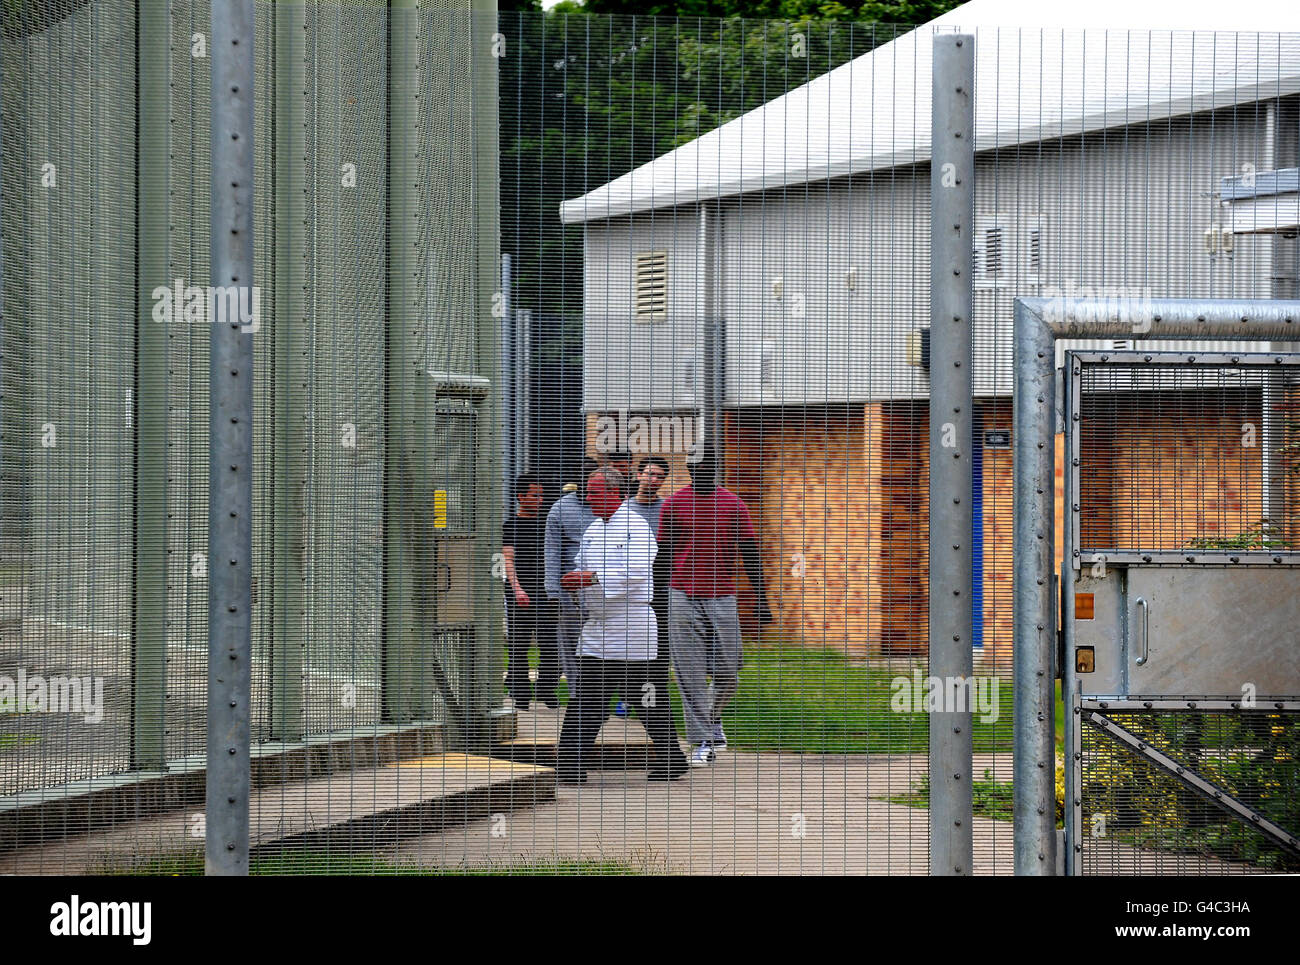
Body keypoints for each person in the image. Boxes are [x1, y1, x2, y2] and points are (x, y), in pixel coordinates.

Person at [555, 468, 689, 784]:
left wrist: (593, 578)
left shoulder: (636, 527)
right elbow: (581, 566)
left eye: (594, 493)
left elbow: (638, 571)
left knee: (646, 700)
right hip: (599, 627)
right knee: (588, 699)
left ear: (615, 494)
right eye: (587, 492)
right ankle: (570, 764)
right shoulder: (592, 530)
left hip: (633, 628)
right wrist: (575, 579)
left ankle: (672, 759)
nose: (587, 498)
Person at [657, 447, 773, 766]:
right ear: (690, 470)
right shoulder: (673, 504)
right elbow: (664, 556)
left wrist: (761, 600)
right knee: (689, 673)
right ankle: (702, 741)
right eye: (698, 467)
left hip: (722, 595)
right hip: (681, 594)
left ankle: (710, 719)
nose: (704, 472)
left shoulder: (733, 505)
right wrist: (656, 601)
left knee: (729, 671)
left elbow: (749, 553)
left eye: (710, 466)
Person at [501, 472, 559, 709]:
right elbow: (508, 559)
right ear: (521, 497)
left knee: (550, 643)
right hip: (521, 591)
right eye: (535, 495)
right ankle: (520, 691)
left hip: (546, 591)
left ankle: (546, 688)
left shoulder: (548, 523)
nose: (540, 500)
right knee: (519, 643)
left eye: (542, 495)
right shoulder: (511, 525)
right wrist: (517, 589)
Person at [545, 457, 598, 689]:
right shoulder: (560, 507)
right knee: (570, 644)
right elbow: (551, 550)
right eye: (581, 476)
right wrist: (553, 592)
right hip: (569, 591)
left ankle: (603, 695)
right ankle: (577, 694)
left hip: (602, 588)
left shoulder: (611, 507)